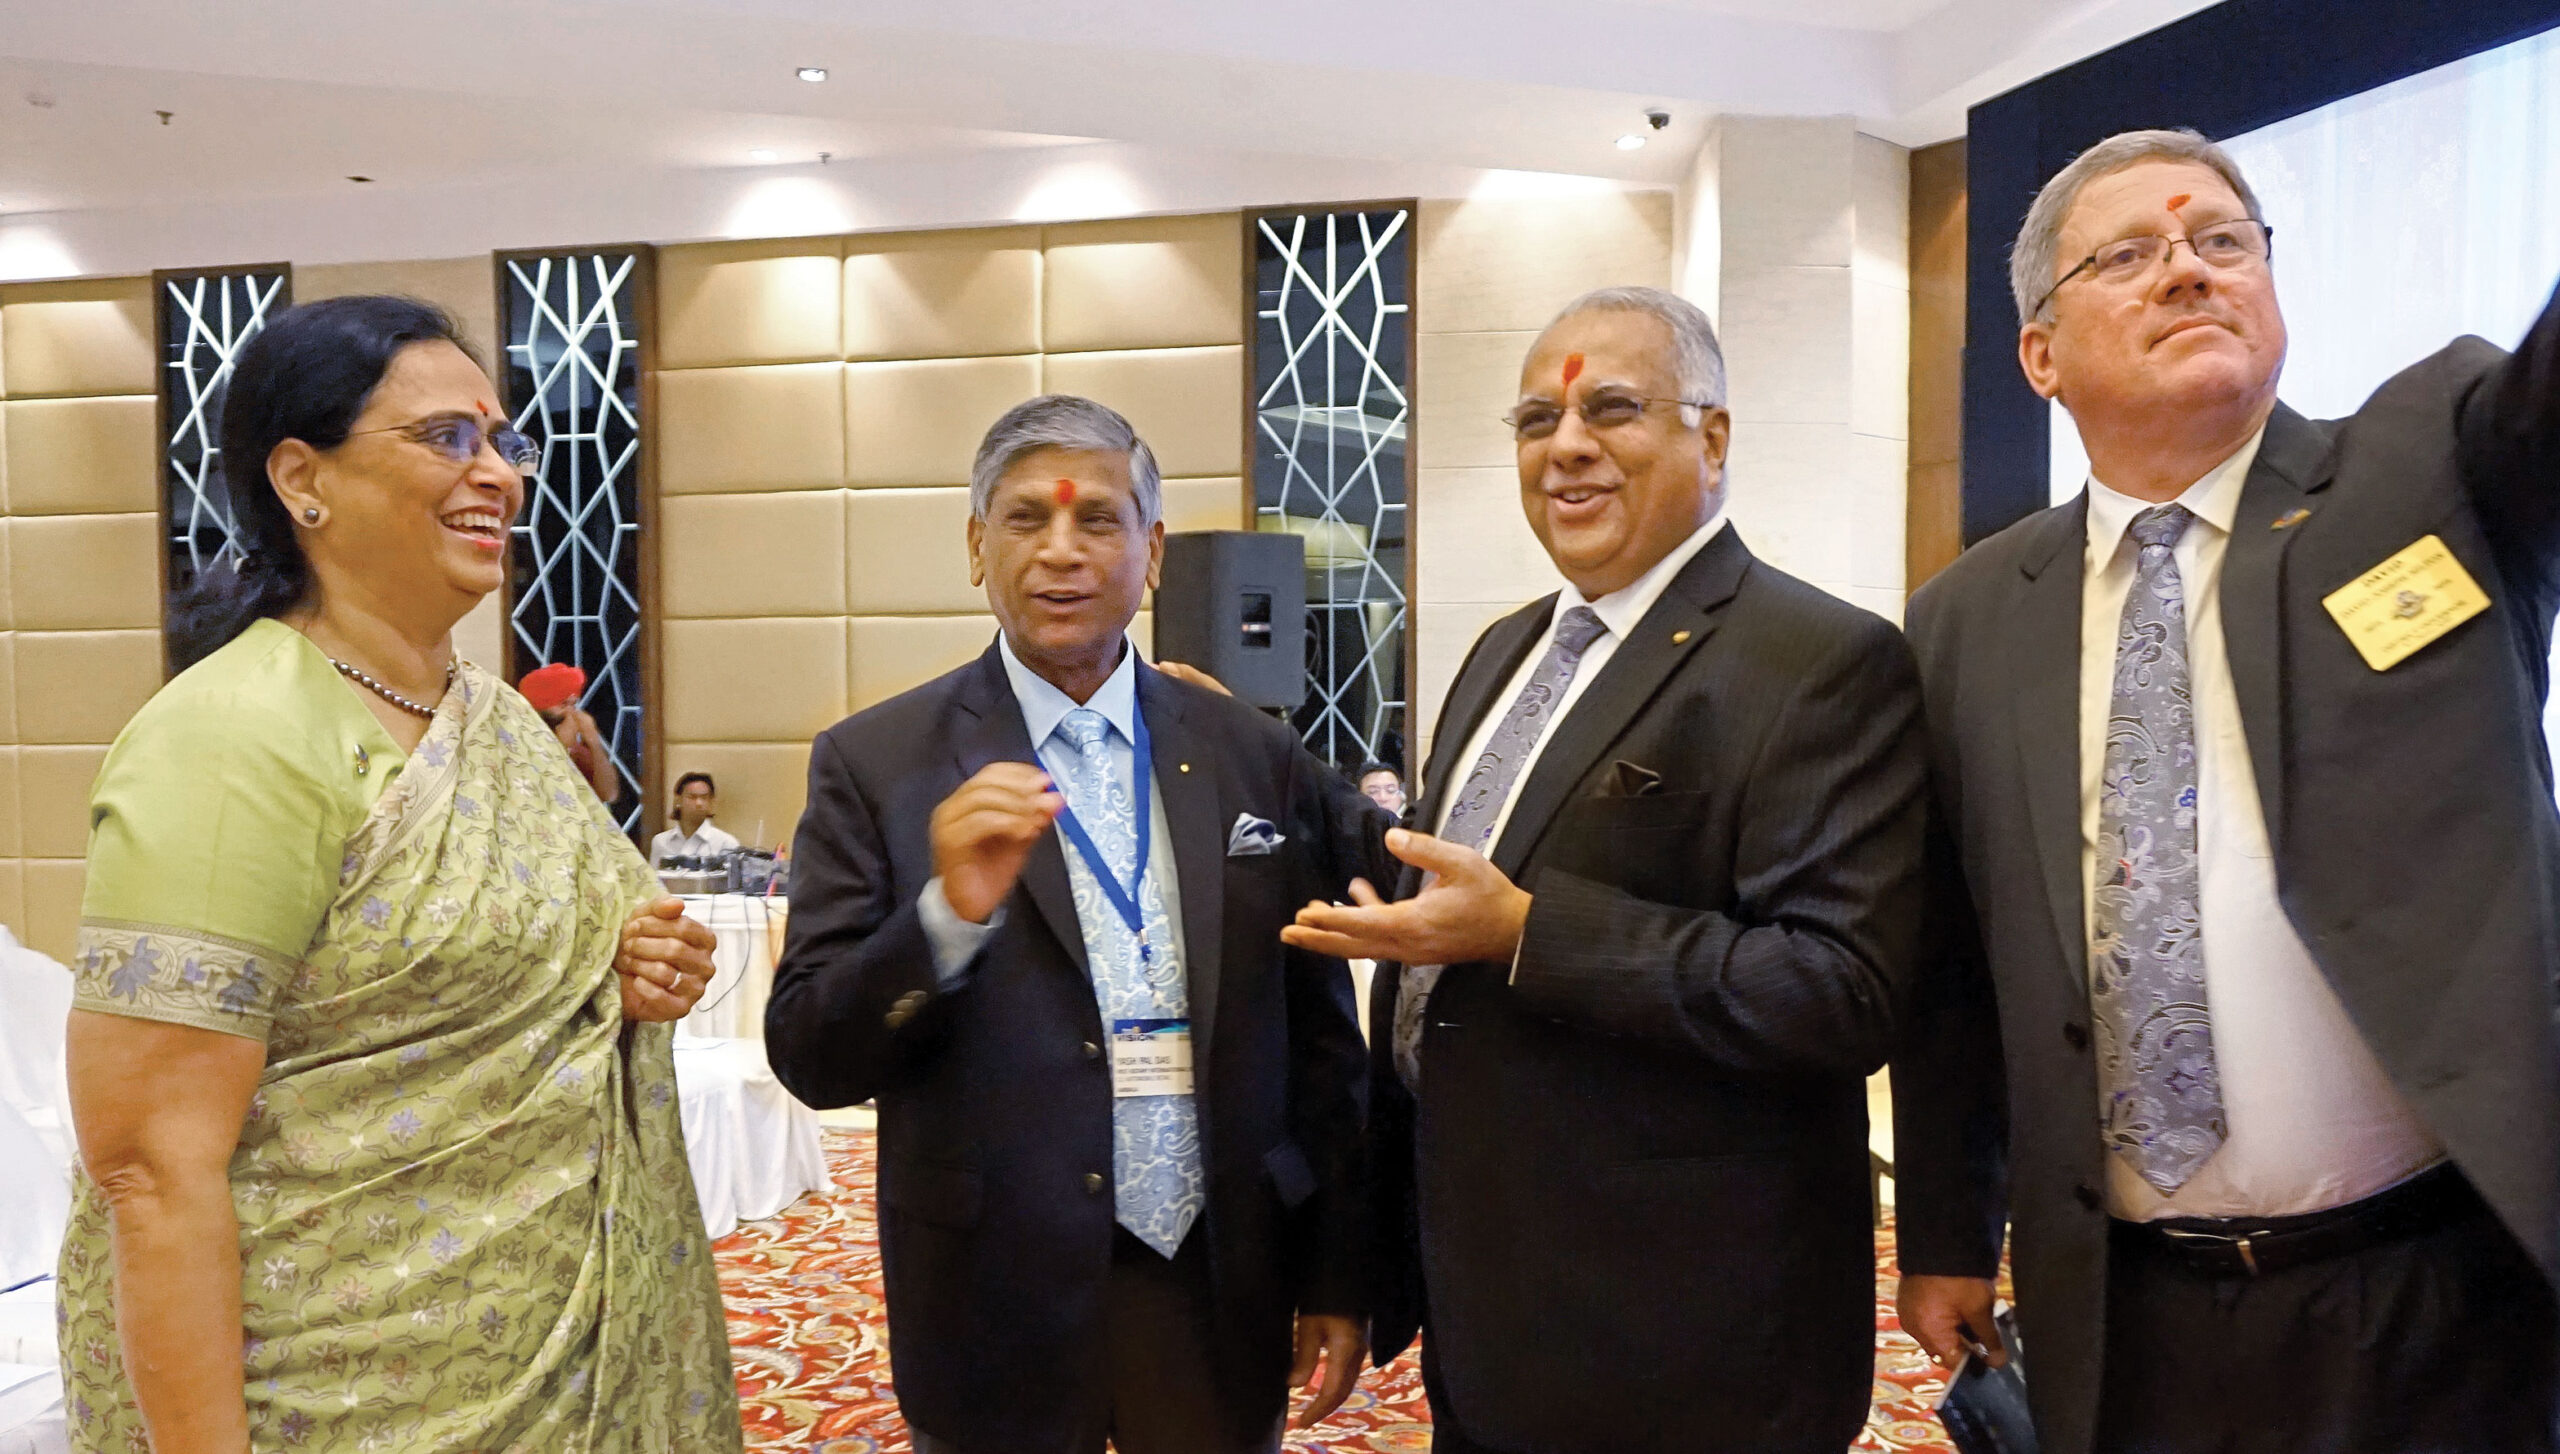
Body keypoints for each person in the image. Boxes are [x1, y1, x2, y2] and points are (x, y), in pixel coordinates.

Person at [1891, 128, 2560, 1454]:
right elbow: (1957, 956)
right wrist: (1951, 1233)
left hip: (2435, 1289)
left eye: (2222, 243)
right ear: (2039, 354)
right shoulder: (1968, 618)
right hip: (2128, 1311)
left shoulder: (2428, 469)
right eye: (2129, 254)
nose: (2187, 272)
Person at [59, 295, 740, 1453]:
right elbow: (150, 1166)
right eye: (446, 438)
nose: (499, 475)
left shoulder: (497, 722)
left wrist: (620, 973)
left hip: (550, 1368)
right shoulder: (233, 739)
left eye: (504, 440)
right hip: (324, 1395)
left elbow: (511, 961)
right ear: (300, 478)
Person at [1286, 286, 1931, 1453]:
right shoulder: (1504, 648)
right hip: (1489, 1306)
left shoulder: (1818, 660)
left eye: (1613, 408)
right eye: (1537, 419)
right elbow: (1454, 889)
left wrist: (1530, 929)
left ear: (1713, 435)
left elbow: (1841, 990)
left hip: (1684, 1342)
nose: (1567, 444)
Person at [764, 394, 1395, 1454]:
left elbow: (1321, 1038)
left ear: (1150, 552)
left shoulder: (1251, 752)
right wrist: (945, 915)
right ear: (976, 546)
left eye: (1097, 519)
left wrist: (1337, 1266)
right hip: (993, 1289)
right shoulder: (877, 763)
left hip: (1214, 1276)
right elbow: (813, 1052)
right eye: (1025, 519)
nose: (1062, 550)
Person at [518, 660, 622, 803]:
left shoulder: (576, 751)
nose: (570, 712)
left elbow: (609, 795)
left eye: (573, 704)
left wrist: (593, 741)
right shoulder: (519, 742)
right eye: (563, 704)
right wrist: (560, 747)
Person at [652, 771, 742, 867]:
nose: (699, 803)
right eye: (692, 797)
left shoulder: (726, 843)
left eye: (704, 798)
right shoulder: (661, 841)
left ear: (711, 802)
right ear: (678, 800)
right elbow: (653, 880)